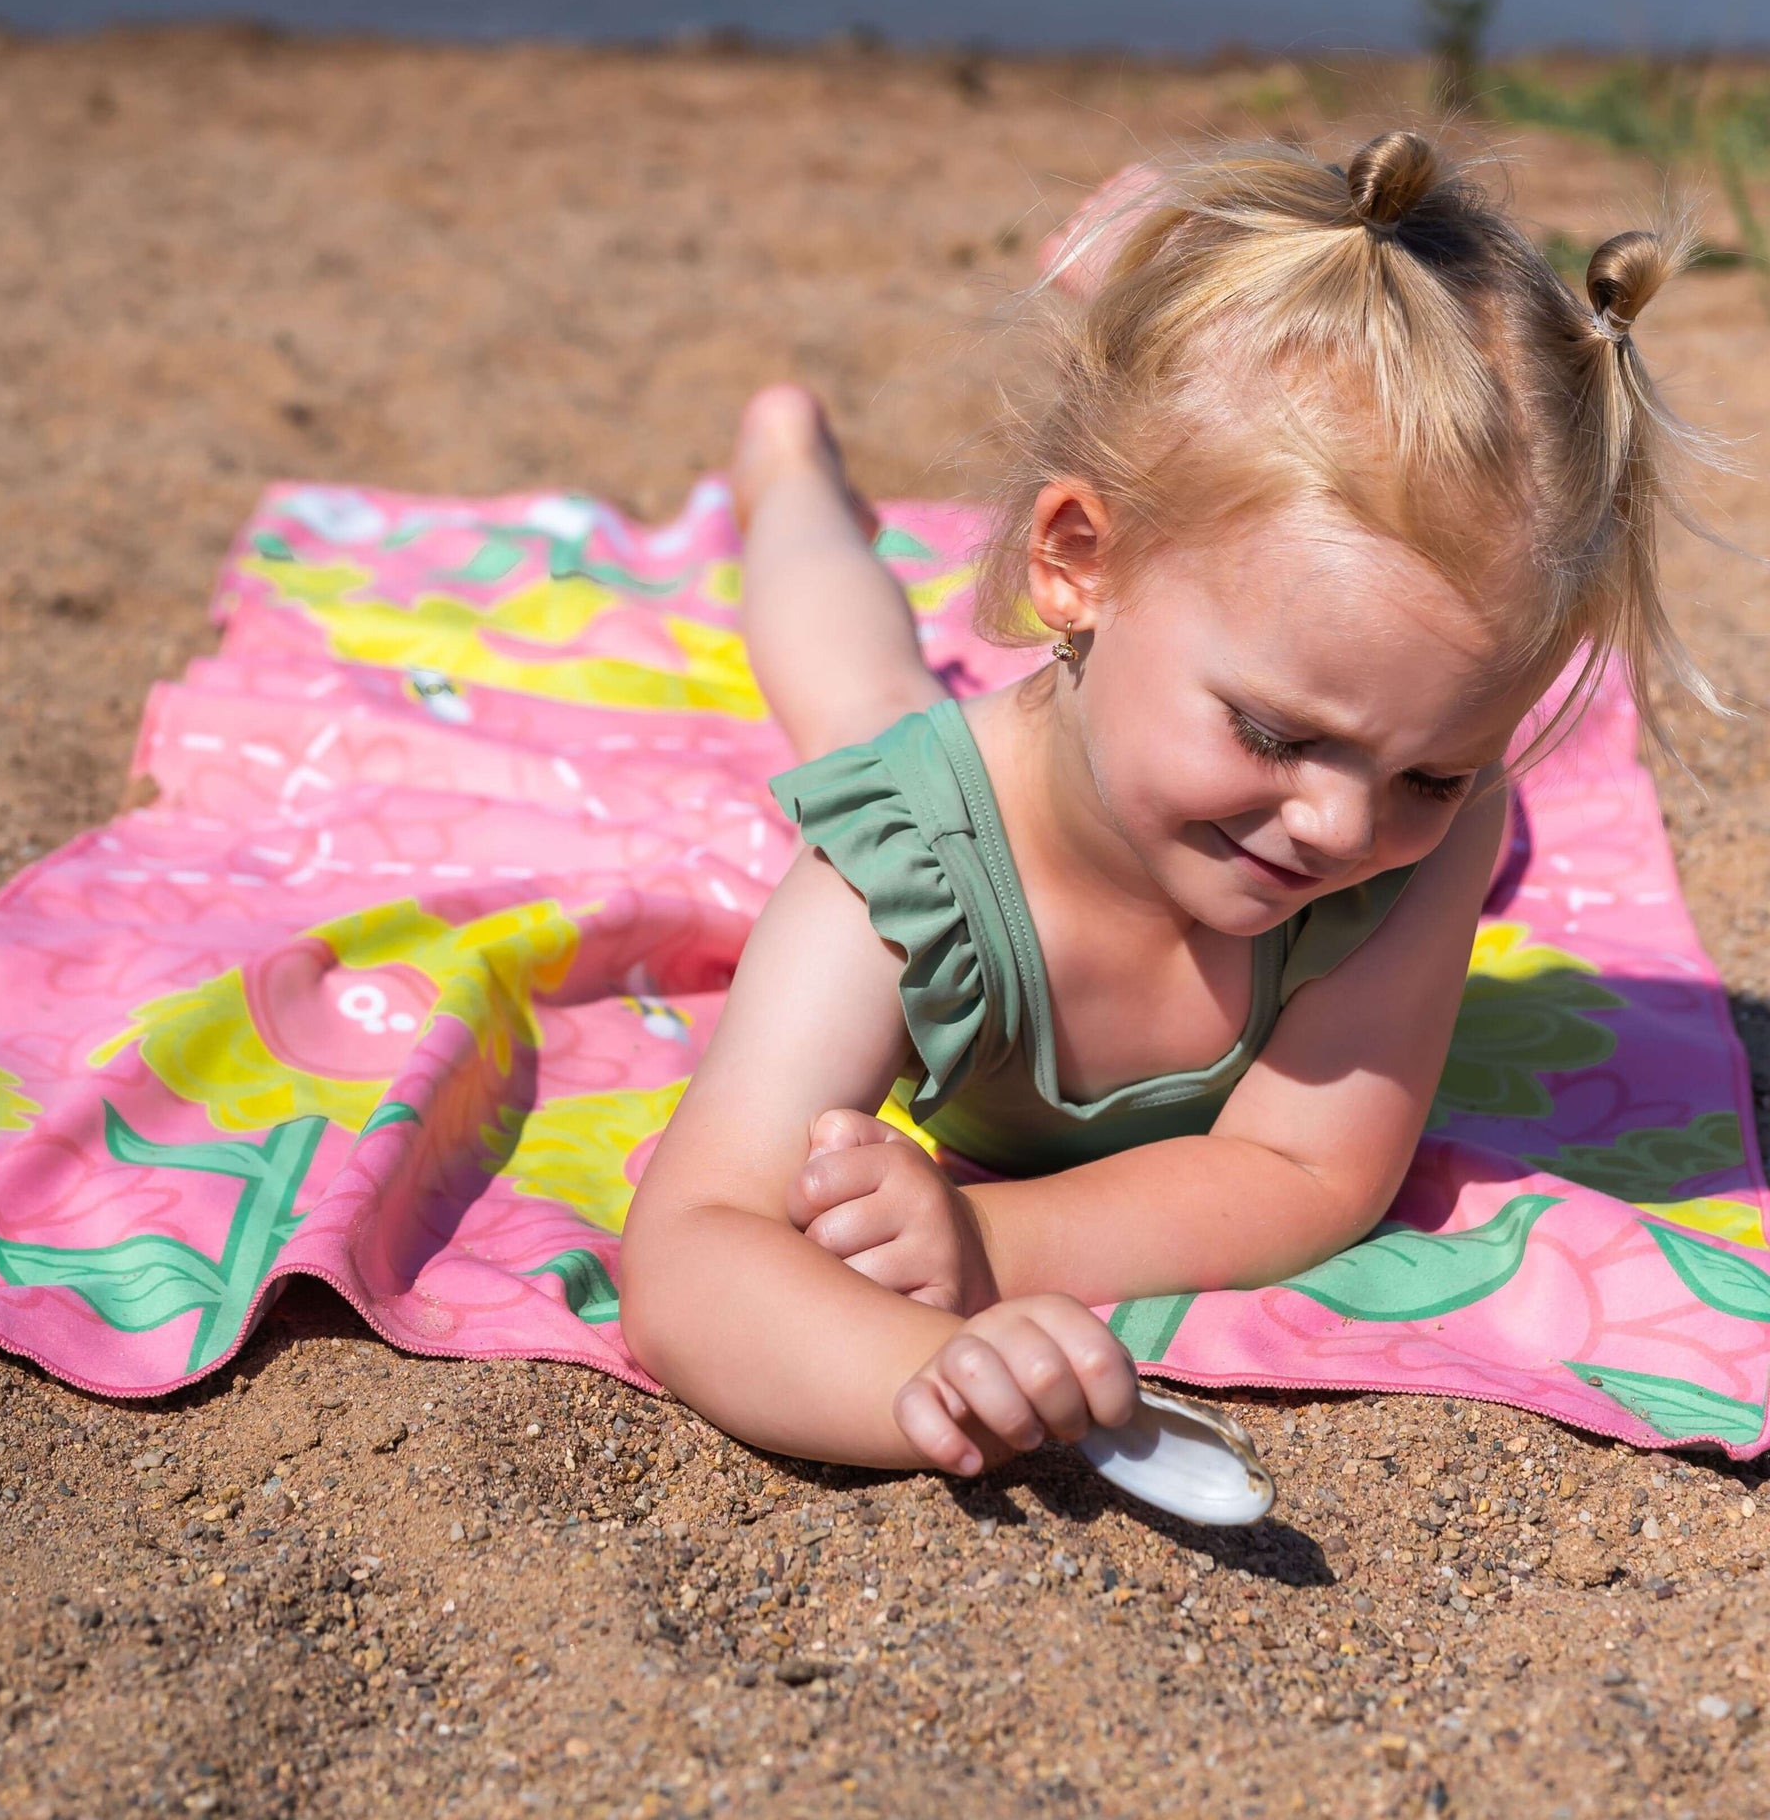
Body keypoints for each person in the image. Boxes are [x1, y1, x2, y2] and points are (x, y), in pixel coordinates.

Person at [620, 132, 1709, 1479]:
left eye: (1432, 768)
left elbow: (1310, 1170)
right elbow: (689, 1249)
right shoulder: (893, 877)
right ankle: (787, 472)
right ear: (1076, 562)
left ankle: (1153, 268)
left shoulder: (1427, 837)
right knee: (858, 698)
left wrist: (989, 1248)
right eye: (1277, 734)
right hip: (988, 793)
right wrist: (915, 1370)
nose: (1340, 830)